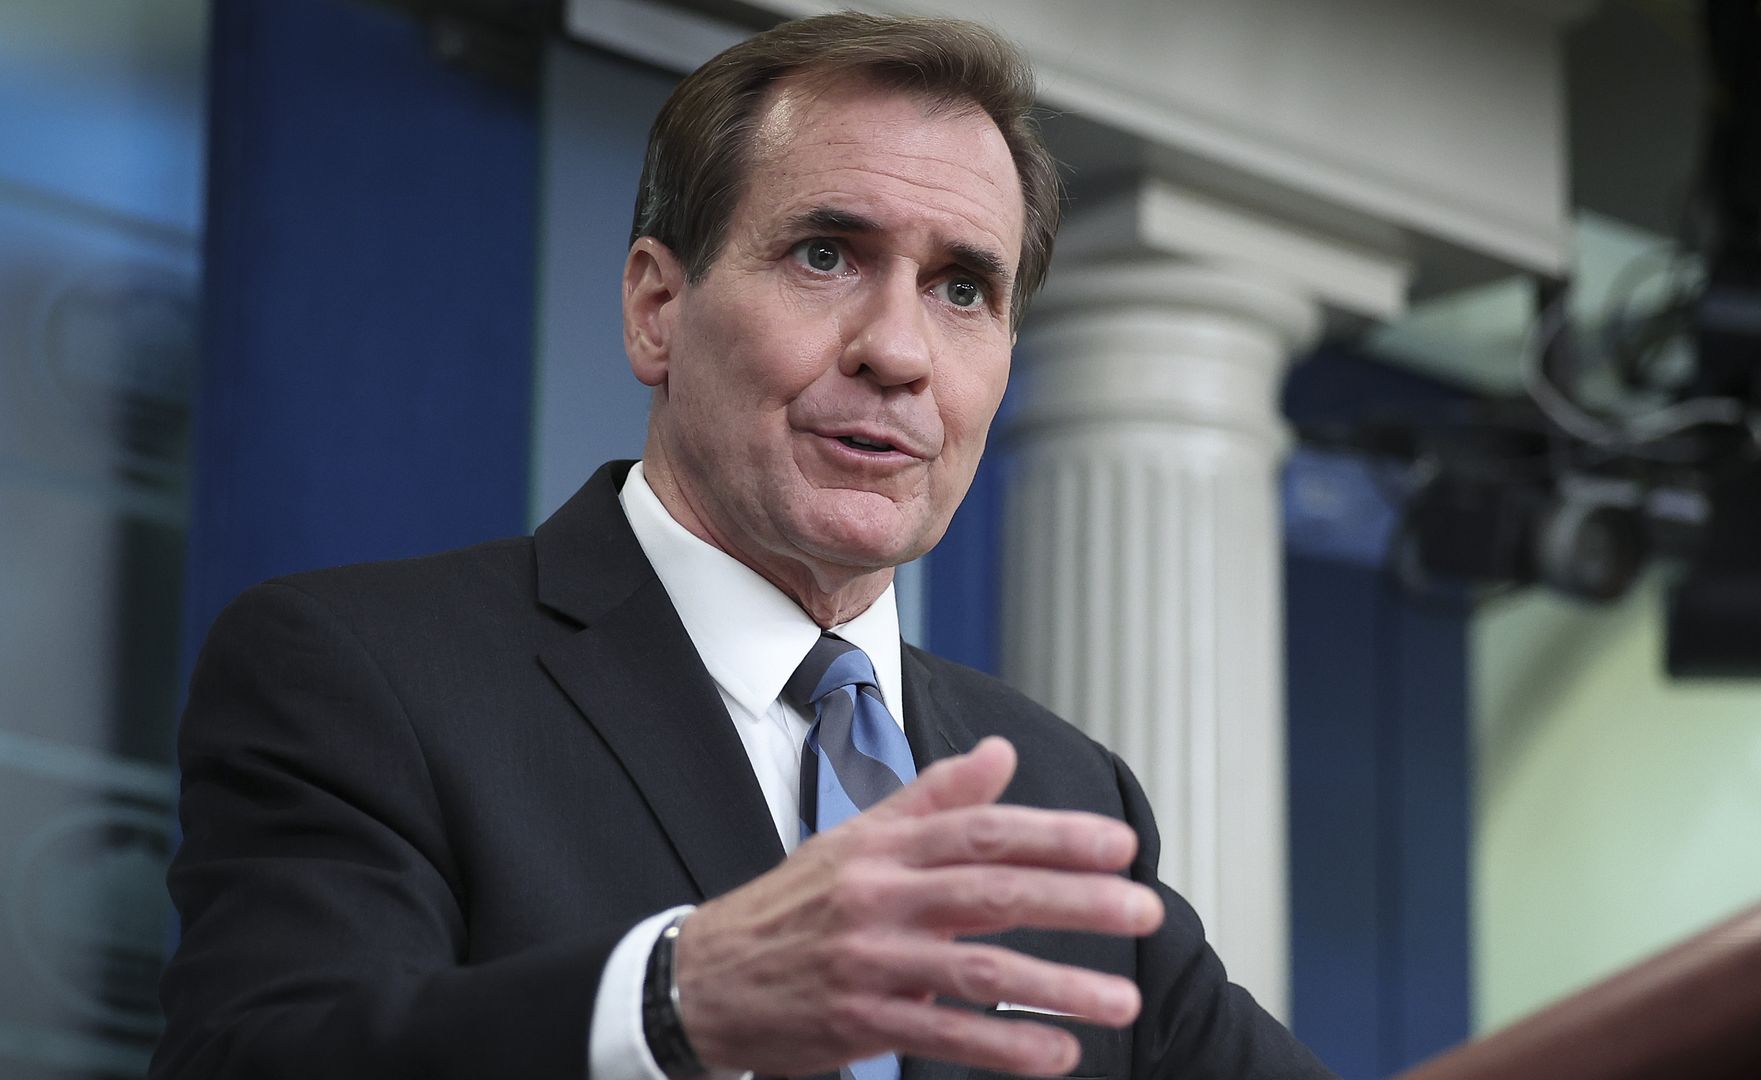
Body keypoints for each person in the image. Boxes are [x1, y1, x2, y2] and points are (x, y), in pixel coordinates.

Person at [152, 12, 1336, 1080]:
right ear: (655, 310)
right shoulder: (364, 672)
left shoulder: (1062, 792)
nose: (900, 350)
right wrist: (674, 1001)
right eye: (827, 255)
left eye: (963, 288)